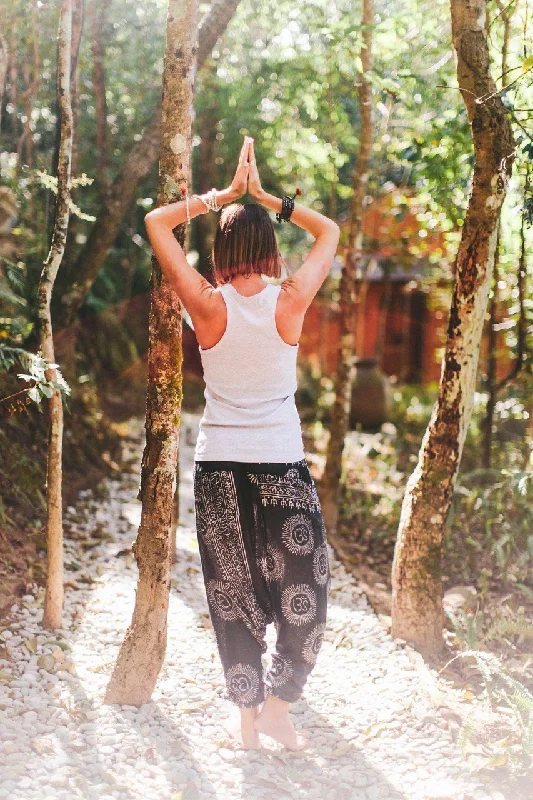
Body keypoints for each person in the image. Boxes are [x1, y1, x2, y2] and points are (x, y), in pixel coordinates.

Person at [144, 136, 340, 751]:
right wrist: (267, 198)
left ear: (220, 250)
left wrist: (219, 197)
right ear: (272, 249)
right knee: (305, 587)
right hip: (281, 466)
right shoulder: (291, 300)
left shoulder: (205, 303)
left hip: (221, 469)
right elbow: (329, 232)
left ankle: (249, 718)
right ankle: (277, 706)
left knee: (232, 595)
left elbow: (155, 222)